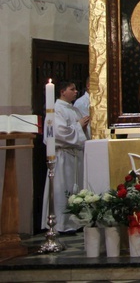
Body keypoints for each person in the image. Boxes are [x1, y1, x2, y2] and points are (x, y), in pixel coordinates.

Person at [42, 81, 90, 233]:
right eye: (72, 89)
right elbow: (59, 132)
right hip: (63, 156)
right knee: (62, 189)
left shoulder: (74, 109)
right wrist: (79, 125)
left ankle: (76, 222)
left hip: (76, 155)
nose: (76, 92)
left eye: (76, 89)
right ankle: (61, 224)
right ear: (62, 91)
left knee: (76, 189)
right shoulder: (56, 109)